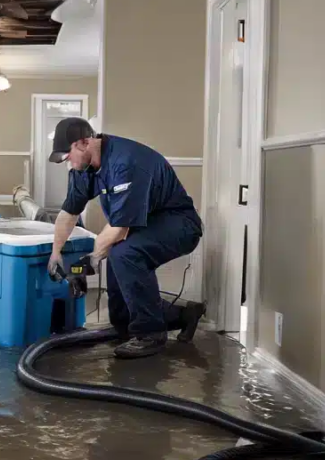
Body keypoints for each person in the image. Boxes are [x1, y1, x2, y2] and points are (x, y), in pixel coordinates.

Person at [46, 117, 206, 359]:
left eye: (67, 154)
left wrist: (86, 264)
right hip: (143, 224)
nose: (66, 160)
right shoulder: (83, 168)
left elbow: (119, 230)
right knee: (121, 313)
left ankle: (150, 334)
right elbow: (69, 213)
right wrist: (55, 253)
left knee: (124, 253)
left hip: (179, 223)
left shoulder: (126, 162)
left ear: (84, 142)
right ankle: (182, 316)